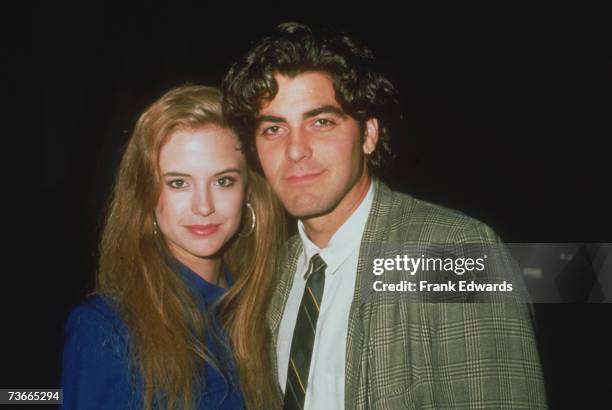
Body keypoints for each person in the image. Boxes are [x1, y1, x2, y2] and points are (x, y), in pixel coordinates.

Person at [222, 23, 547, 409]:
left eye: (321, 122)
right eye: (274, 128)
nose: (295, 150)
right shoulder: (270, 273)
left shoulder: (453, 253)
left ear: (369, 134)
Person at [60, 85, 285, 409]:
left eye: (223, 180)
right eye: (179, 183)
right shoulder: (106, 329)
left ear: (248, 191)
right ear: (147, 195)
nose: (203, 206)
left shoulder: (270, 309)